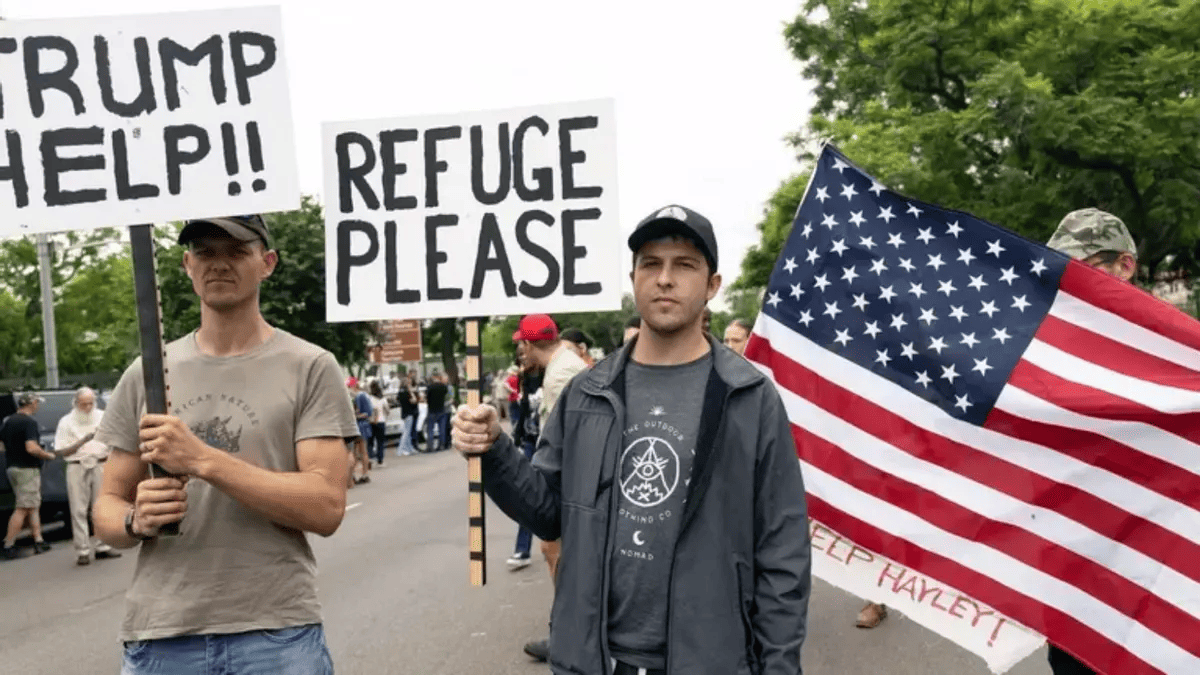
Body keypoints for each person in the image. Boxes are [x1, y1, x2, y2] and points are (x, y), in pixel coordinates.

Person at [454, 204, 811, 675]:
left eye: (684, 265)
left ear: (712, 285)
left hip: (712, 660)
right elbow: (547, 513)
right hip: (598, 660)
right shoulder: (587, 393)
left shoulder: (749, 397)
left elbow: (782, 551)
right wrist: (494, 449)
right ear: (634, 277)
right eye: (651, 264)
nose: (665, 279)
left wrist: (780, 666)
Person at [90, 213, 358, 675]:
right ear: (187, 265)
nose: (218, 263)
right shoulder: (148, 371)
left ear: (267, 263)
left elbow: (326, 506)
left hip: (275, 632)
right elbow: (107, 509)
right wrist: (136, 520)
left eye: (236, 251)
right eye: (204, 252)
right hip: (162, 636)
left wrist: (203, 460)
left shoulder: (310, 366)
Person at [1042, 208, 1139, 675]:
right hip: (1076, 573)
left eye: (1086, 267)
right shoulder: (1050, 348)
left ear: (1126, 265)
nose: (1073, 283)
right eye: (1065, 272)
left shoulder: (1178, 351)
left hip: (1157, 567)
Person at [55, 387, 122, 566]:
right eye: (83, 404)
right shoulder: (66, 422)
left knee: (100, 507)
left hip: (100, 463)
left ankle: (103, 545)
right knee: (78, 509)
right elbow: (61, 451)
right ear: (76, 403)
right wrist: (83, 440)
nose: (87, 407)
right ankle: (82, 550)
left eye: (90, 403)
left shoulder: (102, 416)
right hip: (77, 465)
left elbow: (115, 440)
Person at [2, 392, 55, 559]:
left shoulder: (8, 421)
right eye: (37, 402)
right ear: (31, 403)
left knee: (33, 505)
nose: (38, 405)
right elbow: (31, 447)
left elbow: (2, 445)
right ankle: (8, 544)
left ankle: (39, 541)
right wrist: (47, 455)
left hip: (12, 468)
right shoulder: (29, 422)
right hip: (27, 469)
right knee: (23, 507)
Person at [347, 377, 372, 483]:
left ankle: (359, 474)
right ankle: (362, 474)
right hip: (361, 425)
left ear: (353, 386)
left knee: (359, 452)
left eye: (349, 386)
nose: (348, 388)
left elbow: (366, 413)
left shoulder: (359, 396)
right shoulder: (361, 395)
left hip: (360, 425)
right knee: (360, 452)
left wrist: (355, 416)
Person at [424, 373, 449, 452]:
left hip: (432, 410)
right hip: (441, 410)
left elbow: (426, 397)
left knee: (430, 429)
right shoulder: (443, 387)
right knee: (442, 429)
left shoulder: (430, 387)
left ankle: (430, 447)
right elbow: (445, 394)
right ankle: (441, 446)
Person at [396, 374, 419, 457]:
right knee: (406, 433)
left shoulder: (400, 392)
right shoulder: (407, 392)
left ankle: (409, 449)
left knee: (407, 432)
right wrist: (411, 391)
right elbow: (414, 400)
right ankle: (401, 450)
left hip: (404, 413)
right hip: (409, 413)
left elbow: (398, 400)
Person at [367, 380, 389, 467]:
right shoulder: (382, 399)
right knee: (380, 442)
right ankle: (380, 460)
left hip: (371, 422)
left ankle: (370, 457)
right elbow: (387, 410)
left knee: (370, 441)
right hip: (381, 421)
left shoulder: (369, 399)